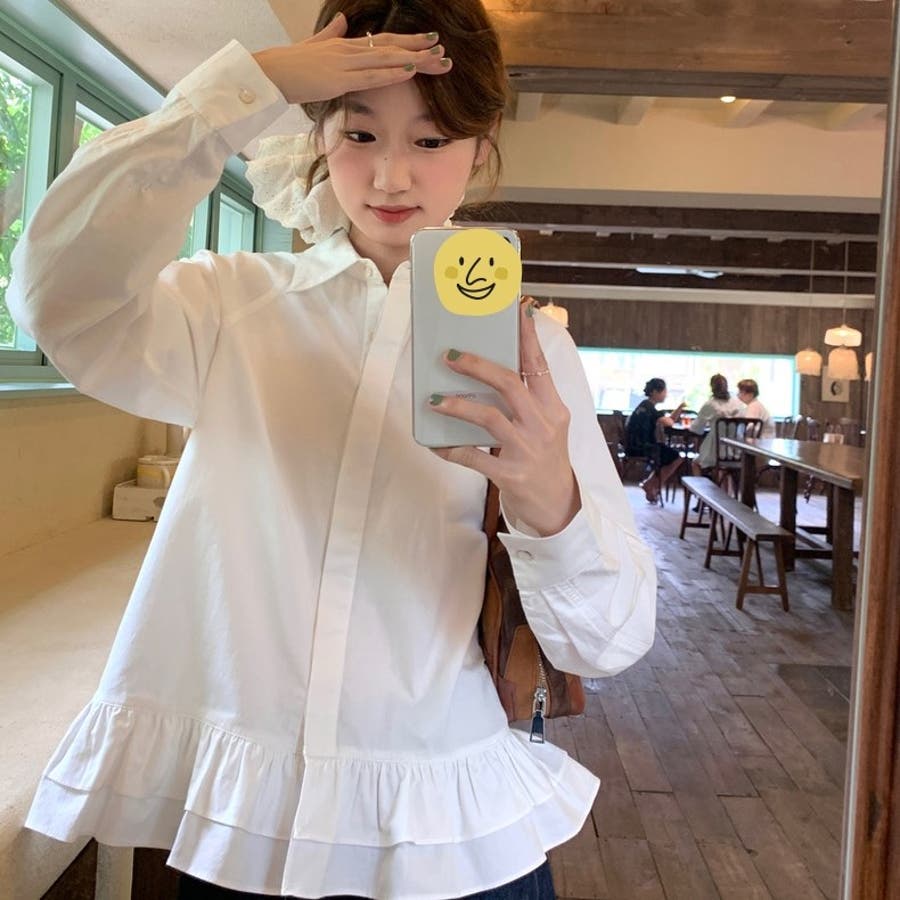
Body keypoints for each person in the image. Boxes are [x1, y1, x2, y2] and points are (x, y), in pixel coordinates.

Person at [7, 2, 657, 899]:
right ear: (317, 135)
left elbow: (611, 639)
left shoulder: (534, 350)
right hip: (247, 834)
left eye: (431, 140)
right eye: (359, 133)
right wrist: (243, 89)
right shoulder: (230, 305)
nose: (391, 174)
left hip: (451, 830)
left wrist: (552, 499)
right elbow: (56, 297)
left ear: (480, 148)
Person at [625, 377, 686, 503]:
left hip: (634, 445)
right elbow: (669, 422)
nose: (665, 395)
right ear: (654, 392)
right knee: (677, 457)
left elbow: (668, 421)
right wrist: (680, 408)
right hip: (644, 447)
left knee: (667, 456)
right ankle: (652, 485)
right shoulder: (650, 408)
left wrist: (678, 409)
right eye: (663, 391)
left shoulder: (644, 405)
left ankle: (651, 485)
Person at [690, 373, 744, 474]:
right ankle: (726, 483)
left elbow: (697, 429)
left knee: (695, 463)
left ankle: (701, 484)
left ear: (712, 388)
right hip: (737, 452)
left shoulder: (710, 405)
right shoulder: (739, 404)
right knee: (724, 469)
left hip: (715, 452)